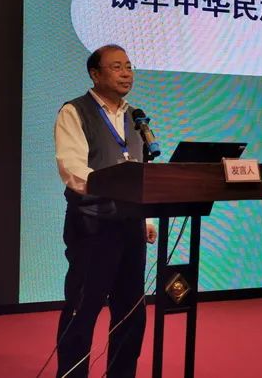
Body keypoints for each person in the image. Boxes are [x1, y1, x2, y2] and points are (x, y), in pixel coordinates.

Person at [54, 44, 157, 377]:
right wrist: (115, 189)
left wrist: (146, 216)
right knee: (82, 309)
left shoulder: (136, 117)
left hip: (130, 225)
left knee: (131, 311)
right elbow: (72, 170)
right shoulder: (75, 111)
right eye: (116, 67)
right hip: (92, 225)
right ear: (95, 74)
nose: (126, 73)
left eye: (128, 66)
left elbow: (140, 171)